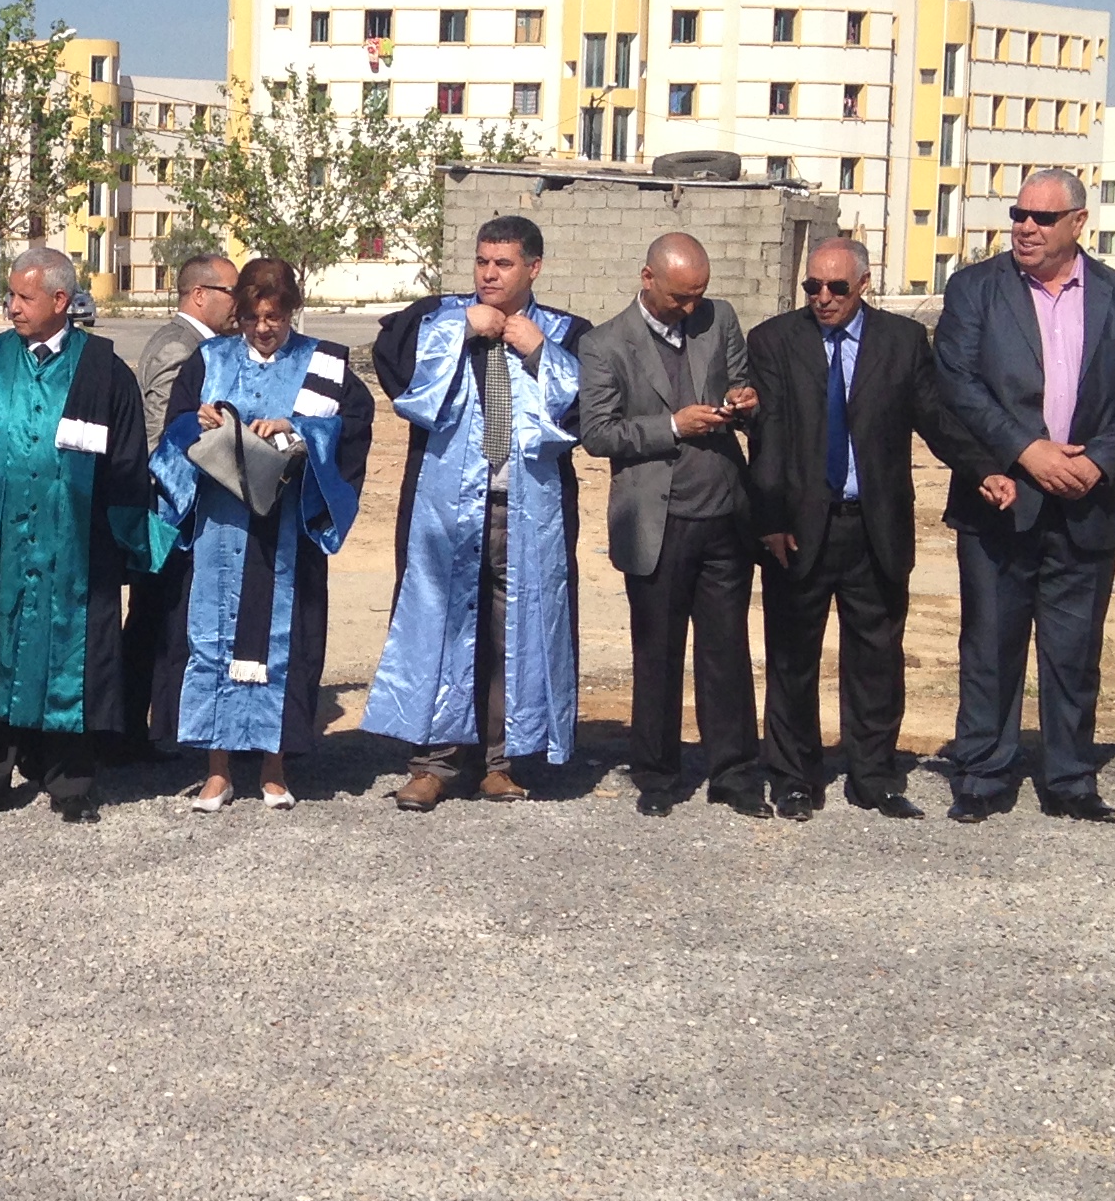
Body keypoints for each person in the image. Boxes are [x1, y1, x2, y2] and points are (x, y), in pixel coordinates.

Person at [931, 169, 1115, 823]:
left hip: (1084, 505)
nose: (1026, 228)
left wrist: (1098, 461)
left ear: (1078, 223)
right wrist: (1025, 449)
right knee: (990, 646)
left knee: (1074, 653)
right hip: (1002, 502)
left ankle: (1069, 779)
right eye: (1019, 215)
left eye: (1042, 218)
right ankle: (983, 774)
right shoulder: (975, 289)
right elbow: (957, 383)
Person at [0, 247, 165, 823]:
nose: (11, 307)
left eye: (23, 297)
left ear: (60, 300)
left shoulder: (104, 371)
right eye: (10, 295)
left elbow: (127, 464)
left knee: (70, 658)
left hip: (74, 550)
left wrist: (125, 543)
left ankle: (70, 783)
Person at [363, 214, 587, 808]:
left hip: (527, 512)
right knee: (439, 625)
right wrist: (462, 327)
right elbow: (395, 369)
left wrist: (540, 352)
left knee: (515, 634)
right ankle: (431, 764)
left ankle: (501, 761)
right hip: (445, 509)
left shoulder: (564, 332)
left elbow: (589, 408)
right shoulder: (437, 317)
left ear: (533, 268)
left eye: (503, 264)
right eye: (483, 262)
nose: (489, 274)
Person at [746, 235, 968, 820]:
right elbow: (768, 439)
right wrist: (769, 520)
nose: (823, 298)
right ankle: (794, 777)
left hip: (875, 527)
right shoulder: (774, 341)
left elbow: (934, 418)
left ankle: (874, 776)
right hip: (799, 530)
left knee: (877, 659)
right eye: (812, 286)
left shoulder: (902, 341)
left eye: (837, 287)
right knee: (792, 659)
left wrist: (992, 467)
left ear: (864, 284)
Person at [146, 255, 371, 808]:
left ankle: (275, 767)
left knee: (285, 645)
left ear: (292, 310)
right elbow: (174, 432)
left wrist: (300, 430)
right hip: (218, 528)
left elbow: (352, 427)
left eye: (274, 317)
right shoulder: (209, 359)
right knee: (211, 640)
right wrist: (195, 424)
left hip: (288, 527)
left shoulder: (322, 363)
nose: (263, 328)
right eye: (251, 318)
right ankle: (217, 770)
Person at [577, 233, 767, 816]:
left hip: (723, 514)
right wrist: (673, 427)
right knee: (657, 655)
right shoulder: (604, 344)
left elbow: (742, 381)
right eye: (681, 297)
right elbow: (598, 433)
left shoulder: (719, 318)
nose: (691, 307)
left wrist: (745, 401)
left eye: (699, 295)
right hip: (656, 522)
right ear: (647, 278)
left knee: (726, 653)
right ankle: (658, 777)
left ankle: (735, 774)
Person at [113, 253, 236, 762]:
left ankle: (143, 728)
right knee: (154, 618)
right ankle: (128, 732)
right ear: (200, 295)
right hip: (168, 505)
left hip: (182, 505)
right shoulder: (178, 347)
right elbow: (163, 432)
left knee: (161, 617)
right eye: (231, 292)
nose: (238, 303)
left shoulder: (199, 344)